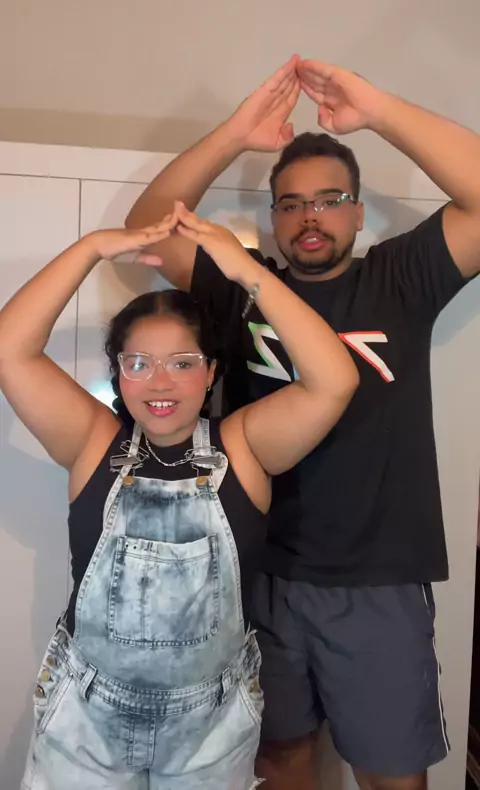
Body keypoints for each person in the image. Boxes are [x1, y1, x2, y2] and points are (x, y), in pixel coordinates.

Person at [124, 55, 480, 790]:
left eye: (329, 200)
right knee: (279, 760)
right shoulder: (242, 284)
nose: (309, 217)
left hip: (378, 578)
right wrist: (234, 134)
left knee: (391, 775)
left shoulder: (400, 277)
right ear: (274, 219)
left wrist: (377, 109)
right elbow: (144, 228)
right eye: (290, 204)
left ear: (358, 211)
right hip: (259, 572)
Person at [0, 210, 358, 790]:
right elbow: (10, 349)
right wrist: (90, 248)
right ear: (119, 374)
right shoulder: (92, 442)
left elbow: (334, 381)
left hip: (211, 731)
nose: (159, 382)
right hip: (84, 725)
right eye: (138, 363)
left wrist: (247, 273)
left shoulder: (245, 447)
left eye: (182, 363)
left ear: (211, 372)